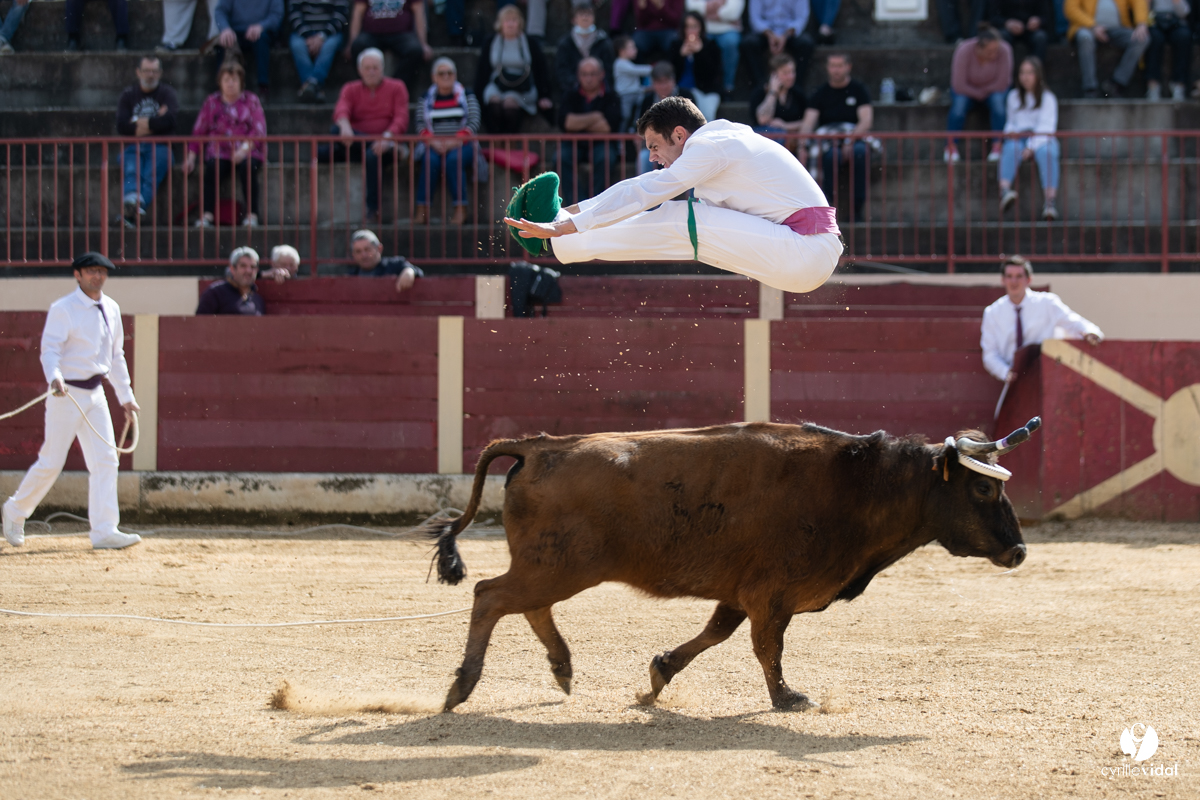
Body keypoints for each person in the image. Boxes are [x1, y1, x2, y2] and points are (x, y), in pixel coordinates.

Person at [506, 96, 842, 294]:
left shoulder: (710, 147)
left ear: (679, 134)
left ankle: (558, 238)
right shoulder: (717, 144)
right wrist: (571, 212)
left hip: (805, 249)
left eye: (654, 146)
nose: (652, 155)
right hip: (804, 253)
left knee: (679, 218)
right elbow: (639, 186)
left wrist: (566, 226)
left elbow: (645, 193)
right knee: (680, 220)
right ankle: (559, 229)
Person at [2, 253, 142, 552]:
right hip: (66, 394)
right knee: (52, 462)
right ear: (77, 275)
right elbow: (50, 349)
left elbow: (116, 356)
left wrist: (126, 397)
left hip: (96, 393)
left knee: (106, 460)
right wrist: (54, 376)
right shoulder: (63, 308)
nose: (98, 276)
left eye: (102, 272)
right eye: (92, 271)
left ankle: (105, 530)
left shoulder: (112, 308)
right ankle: (14, 511)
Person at [981, 255, 1102, 383]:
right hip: (1012, 378)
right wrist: (1006, 373)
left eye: (1019, 276)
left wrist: (1091, 332)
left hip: (1047, 375)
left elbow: (1073, 322)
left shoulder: (1047, 303)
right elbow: (990, 355)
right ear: (1003, 280)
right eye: (1009, 276)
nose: (1014, 282)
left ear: (1029, 279)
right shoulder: (992, 313)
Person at [329, 48, 411, 224]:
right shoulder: (350, 88)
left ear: (383, 68)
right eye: (367, 68)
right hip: (357, 142)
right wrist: (344, 124)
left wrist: (387, 138)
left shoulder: (397, 87)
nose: (371, 71)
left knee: (372, 155)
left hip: (387, 145)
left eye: (375, 67)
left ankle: (373, 210)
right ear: (360, 70)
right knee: (335, 132)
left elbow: (401, 118)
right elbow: (341, 108)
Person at [184, 61, 268, 228]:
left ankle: (252, 215)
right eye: (227, 79)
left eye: (234, 80)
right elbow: (199, 131)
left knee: (248, 168)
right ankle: (207, 215)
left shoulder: (251, 100)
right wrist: (191, 157)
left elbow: (259, 130)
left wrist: (243, 150)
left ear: (241, 82)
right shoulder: (211, 102)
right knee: (212, 170)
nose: (230, 83)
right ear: (220, 82)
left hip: (248, 150)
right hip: (219, 151)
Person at [799, 52, 873, 221]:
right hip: (829, 140)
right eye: (832, 66)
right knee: (831, 157)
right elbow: (808, 123)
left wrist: (849, 140)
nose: (836, 70)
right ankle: (827, 208)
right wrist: (803, 145)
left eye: (839, 66)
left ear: (848, 67)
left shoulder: (859, 90)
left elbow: (866, 121)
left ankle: (857, 209)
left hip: (855, 138)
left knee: (860, 153)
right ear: (827, 68)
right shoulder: (820, 93)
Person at [414, 58, 481, 225]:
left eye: (449, 73)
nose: (446, 76)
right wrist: (433, 142)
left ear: (455, 75)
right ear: (433, 77)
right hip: (433, 144)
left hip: (463, 144)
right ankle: (422, 210)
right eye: (441, 73)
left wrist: (454, 141)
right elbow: (420, 124)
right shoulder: (425, 98)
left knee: (453, 160)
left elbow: (473, 122)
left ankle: (461, 209)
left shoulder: (467, 95)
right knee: (429, 160)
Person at [116, 57, 179, 228]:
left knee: (151, 176)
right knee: (131, 171)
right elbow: (122, 126)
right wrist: (156, 119)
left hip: (161, 146)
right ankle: (133, 208)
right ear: (138, 72)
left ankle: (131, 212)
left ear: (160, 73)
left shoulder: (168, 93)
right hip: (132, 146)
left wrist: (138, 123)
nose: (150, 75)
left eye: (154, 71)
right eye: (146, 70)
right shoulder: (128, 95)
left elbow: (170, 122)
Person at [475, 5, 554, 134]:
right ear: (500, 23)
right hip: (497, 83)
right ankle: (496, 143)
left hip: (522, 87)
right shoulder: (490, 41)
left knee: (510, 103)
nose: (510, 24)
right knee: (493, 101)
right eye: (507, 20)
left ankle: (509, 144)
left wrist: (545, 95)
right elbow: (482, 71)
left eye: (514, 20)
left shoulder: (530, 42)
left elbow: (541, 70)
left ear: (520, 23)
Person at [998, 57, 1060, 221]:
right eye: (1022, 73)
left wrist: (1031, 146)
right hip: (1020, 137)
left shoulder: (1048, 98)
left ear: (1038, 75)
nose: (1025, 77)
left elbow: (1047, 127)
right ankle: (1004, 190)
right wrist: (1010, 131)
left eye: (1030, 73)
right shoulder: (1013, 96)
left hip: (1042, 138)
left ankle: (1050, 201)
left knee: (1048, 153)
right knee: (1010, 148)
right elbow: (1011, 121)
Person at [556, 57, 624, 204]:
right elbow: (566, 123)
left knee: (605, 158)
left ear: (602, 74)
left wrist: (578, 122)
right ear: (578, 75)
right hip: (574, 143)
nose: (588, 79)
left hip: (601, 143)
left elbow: (607, 127)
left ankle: (593, 205)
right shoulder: (569, 94)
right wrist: (595, 117)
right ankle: (577, 205)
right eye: (584, 74)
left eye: (592, 74)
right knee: (560, 158)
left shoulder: (612, 95)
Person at [944, 25, 1011, 163]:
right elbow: (958, 84)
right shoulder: (963, 50)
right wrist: (978, 93)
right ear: (978, 48)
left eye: (996, 50)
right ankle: (951, 146)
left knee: (998, 104)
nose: (995, 54)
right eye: (990, 51)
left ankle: (998, 146)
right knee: (958, 107)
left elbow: (1003, 82)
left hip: (993, 91)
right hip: (967, 91)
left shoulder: (1004, 50)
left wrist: (983, 92)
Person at [1065, 0, 1150, 97]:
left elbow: (1139, 2)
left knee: (1142, 38)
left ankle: (1116, 83)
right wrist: (1092, 25)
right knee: (1085, 38)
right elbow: (1071, 9)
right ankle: (1090, 88)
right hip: (1087, 28)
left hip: (1118, 29)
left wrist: (1141, 23)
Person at [346, 0, 433, 89]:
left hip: (402, 34)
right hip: (372, 34)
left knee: (415, 50)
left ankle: (395, 89)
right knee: (357, 46)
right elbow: (358, 13)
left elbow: (419, 12)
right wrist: (351, 42)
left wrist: (423, 43)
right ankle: (366, 89)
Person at [740, 0, 815, 95]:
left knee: (806, 44)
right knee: (749, 43)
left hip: (789, 32)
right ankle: (760, 88)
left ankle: (795, 88)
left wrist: (785, 35)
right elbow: (755, 18)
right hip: (765, 32)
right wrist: (769, 35)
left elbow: (801, 18)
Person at [635, 61, 697, 173]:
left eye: (666, 81)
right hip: (656, 148)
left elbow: (695, 124)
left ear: (673, 80)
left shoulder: (687, 96)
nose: (663, 86)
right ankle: (646, 190)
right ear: (653, 83)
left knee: (694, 159)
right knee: (643, 158)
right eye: (659, 82)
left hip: (683, 147)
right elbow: (641, 130)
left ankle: (696, 191)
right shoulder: (647, 100)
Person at [212, 0, 283, 94]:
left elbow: (277, 15)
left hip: (262, 33)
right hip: (235, 32)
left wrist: (261, 26)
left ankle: (263, 87)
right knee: (224, 41)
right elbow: (220, 12)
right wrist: (225, 28)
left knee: (262, 40)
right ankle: (221, 89)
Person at [289, 0, 350, 103]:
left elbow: (340, 17)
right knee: (296, 45)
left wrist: (322, 37)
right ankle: (315, 87)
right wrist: (309, 36)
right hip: (303, 34)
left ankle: (310, 85)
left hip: (330, 34)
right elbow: (294, 15)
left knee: (329, 45)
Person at [670, 11, 724, 121]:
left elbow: (713, 74)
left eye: (695, 27)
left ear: (701, 28)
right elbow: (671, 72)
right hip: (681, 91)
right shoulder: (676, 45)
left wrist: (700, 53)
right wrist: (681, 56)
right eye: (688, 27)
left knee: (706, 117)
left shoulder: (710, 45)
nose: (691, 31)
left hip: (706, 91)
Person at [555, 0, 616, 93]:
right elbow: (562, 71)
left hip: (600, 91)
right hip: (573, 90)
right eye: (581, 14)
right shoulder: (565, 43)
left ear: (594, 18)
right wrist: (577, 84)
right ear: (573, 19)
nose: (585, 17)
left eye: (588, 14)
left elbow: (608, 69)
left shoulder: (604, 41)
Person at [686, 0, 743, 93]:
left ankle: (728, 87)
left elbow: (734, 12)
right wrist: (718, 4)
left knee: (730, 43)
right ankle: (701, 87)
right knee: (699, 44)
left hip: (728, 29)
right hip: (703, 29)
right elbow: (691, 7)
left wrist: (706, 13)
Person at [751, 53, 806, 148]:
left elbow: (807, 122)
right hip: (766, 140)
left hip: (789, 141)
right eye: (786, 73)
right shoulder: (759, 93)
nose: (791, 76)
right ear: (774, 75)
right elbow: (762, 119)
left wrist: (785, 125)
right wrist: (773, 92)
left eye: (792, 72)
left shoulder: (797, 94)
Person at [196, 247, 267, 315]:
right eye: (243, 266)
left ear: (257, 270)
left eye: (252, 267)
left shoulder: (258, 300)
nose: (248, 271)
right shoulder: (215, 293)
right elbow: (200, 323)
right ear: (232, 269)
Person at [347, 229, 423, 292]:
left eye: (367, 250)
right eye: (358, 251)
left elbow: (416, 271)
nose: (363, 255)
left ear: (379, 248)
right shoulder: (351, 276)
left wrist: (409, 271)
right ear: (353, 254)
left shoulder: (394, 266)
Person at [1144, 0, 1192, 100]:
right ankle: (1153, 86)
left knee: (1184, 36)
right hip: (1154, 22)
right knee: (1153, 38)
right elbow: (1143, 12)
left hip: (1176, 23)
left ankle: (1179, 85)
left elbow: (1184, 13)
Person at [611, 0, 685, 64]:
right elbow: (640, 22)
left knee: (674, 43)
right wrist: (642, 8)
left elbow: (675, 20)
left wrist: (661, 6)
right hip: (646, 31)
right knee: (635, 44)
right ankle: (642, 74)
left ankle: (670, 72)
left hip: (668, 29)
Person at [988, 0, 1054, 62]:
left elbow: (1047, 16)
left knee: (1040, 37)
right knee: (1002, 37)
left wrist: (1039, 20)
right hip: (1008, 30)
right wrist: (1006, 23)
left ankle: (1035, 71)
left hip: (1031, 30)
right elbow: (993, 17)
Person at [614, 36, 654, 131]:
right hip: (625, 95)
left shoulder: (628, 63)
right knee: (625, 116)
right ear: (622, 51)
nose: (635, 50)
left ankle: (633, 128)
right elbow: (636, 70)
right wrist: (654, 68)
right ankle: (620, 138)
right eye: (632, 47)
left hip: (636, 93)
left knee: (641, 112)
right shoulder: (619, 63)